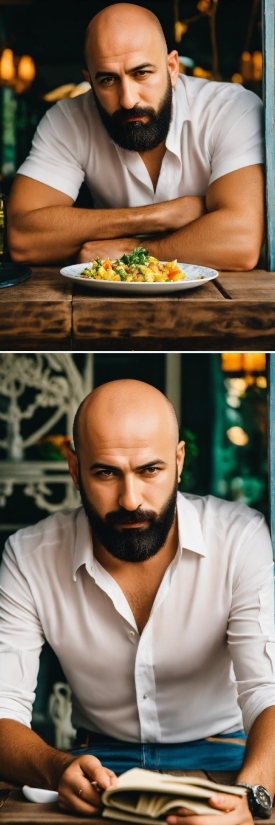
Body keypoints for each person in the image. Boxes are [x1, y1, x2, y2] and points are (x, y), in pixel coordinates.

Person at [0, 378, 275, 824]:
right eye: (106, 472)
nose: (130, 500)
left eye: (150, 470)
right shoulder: (28, 556)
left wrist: (252, 795)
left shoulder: (240, 539)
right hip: (95, 765)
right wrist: (58, 767)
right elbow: (2, 709)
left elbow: (267, 691)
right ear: (74, 467)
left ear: (179, 461)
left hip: (228, 755)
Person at [7, 3, 265, 270]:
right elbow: (23, 239)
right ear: (89, 79)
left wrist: (132, 249)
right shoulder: (68, 119)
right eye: (107, 80)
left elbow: (241, 241)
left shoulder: (230, 108)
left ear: (172, 67)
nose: (128, 100)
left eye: (141, 73)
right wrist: (159, 217)